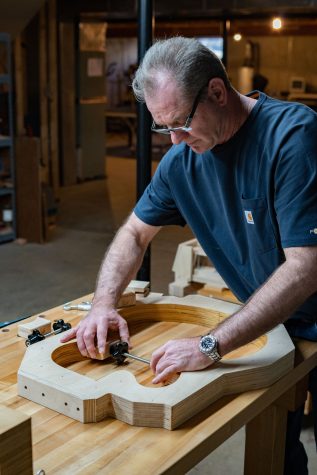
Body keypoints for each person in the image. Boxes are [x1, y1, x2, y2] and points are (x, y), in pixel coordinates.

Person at [62, 37, 317, 473]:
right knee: (278, 442)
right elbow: (133, 234)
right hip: (275, 323)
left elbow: (306, 267)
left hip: (311, 314)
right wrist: (102, 303)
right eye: (163, 128)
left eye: (180, 122)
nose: (175, 140)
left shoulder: (293, 135)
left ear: (217, 92)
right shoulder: (182, 161)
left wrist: (209, 344)